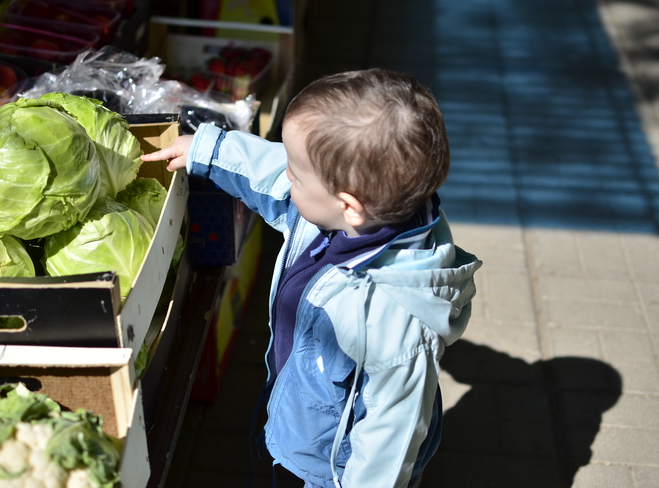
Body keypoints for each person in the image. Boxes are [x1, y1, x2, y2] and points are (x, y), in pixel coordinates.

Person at [141, 68, 483, 488]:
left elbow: (390, 442)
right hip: (301, 422)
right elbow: (273, 173)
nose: (287, 175)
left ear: (349, 205)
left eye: (296, 172)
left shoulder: (395, 322)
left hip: (330, 471)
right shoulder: (349, 213)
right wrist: (210, 150)